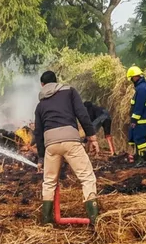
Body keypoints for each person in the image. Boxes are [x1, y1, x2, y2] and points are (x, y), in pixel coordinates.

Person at [34, 71, 100, 225]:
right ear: (56, 81)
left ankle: (46, 222)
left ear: (42, 85)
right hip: (71, 141)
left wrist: (41, 158)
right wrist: (92, 137)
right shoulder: (70, 92)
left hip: (51, 145)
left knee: (49, 182)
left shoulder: (40, 105)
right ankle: (94, 219)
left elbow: (38, 132)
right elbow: (82, 114)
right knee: (87, 177)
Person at [126, 66, 146, 167]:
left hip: (141, 119)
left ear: (135, 77)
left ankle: (143, 160)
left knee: (140, 139)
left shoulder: (141, 89)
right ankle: (139, 157)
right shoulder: (145, 86)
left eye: (131, 78)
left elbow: (139, 106)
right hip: (142, 118)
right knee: (137, 137)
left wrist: (134, 119)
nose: (131, 81)